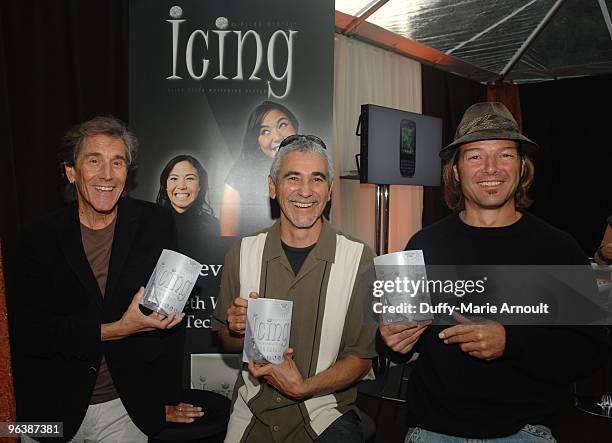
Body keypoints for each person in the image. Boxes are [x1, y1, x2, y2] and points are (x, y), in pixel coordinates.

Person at [378, 102, 609, 442]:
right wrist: (389, 340)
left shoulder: (556, 248)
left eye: (505, 155)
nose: (491, 168)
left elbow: (591, 351)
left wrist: (510, 342)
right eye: (475, 156)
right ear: (455, 170)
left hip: (525, 431)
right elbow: (393, 345)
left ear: (522, 167)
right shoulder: (423, 244)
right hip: (433, 430)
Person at [12, 116, 202, 442]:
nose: (107, 174)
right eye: (94, 161)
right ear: (71, 171)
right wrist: (116, 330)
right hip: (48, 411)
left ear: (128, 173)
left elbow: (170, 325)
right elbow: (29, 333)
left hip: (126, 410)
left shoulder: (155, 223)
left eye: (117, 162)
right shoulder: (37, 237)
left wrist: (162, 402)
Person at [212, 135, 377, 442]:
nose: (305, 191)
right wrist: (236, 330)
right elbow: (226, 341)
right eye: (293, 178)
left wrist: (303, 387)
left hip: (326, 414)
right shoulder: (243, 252)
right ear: (273, 187)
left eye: (317, 179)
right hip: (252, 415)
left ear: (329, 192)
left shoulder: (360, 258)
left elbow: (361, 357)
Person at [220, 101, 298, 237]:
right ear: (257, 140)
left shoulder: (314, 166)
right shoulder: (240, 174)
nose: (277, 137)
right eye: (265, 131)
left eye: (283, 125)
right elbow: (227, 238)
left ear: (294, 127)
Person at [157, 154, 220, 251]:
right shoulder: (149, 224)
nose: (182, 186)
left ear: (200, 186)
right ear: (166, 185)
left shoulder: (214, 226)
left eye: (189, 178)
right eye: (174, 178)